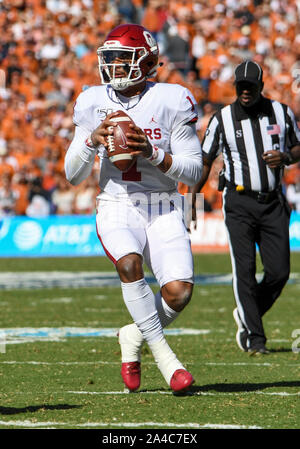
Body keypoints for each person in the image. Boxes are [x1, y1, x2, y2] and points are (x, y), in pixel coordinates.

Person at [65, 24, 202, 392]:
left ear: (148, 60)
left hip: (163, 203)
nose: (115, 67)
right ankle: (167, 360)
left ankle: (133, 335)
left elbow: (194, 168)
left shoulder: (172, 98)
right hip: (117, 203)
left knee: (178, 292)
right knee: (129, 264)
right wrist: (91, 141)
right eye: (109, 59)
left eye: (124, 59)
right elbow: (72, 174)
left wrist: (152, 153)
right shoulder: (93, 100)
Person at [190, 60, 300, 355]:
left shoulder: (281, 112)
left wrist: (285, 157)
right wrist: (192, 198)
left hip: (273, 201)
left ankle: (246, 314)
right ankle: (255, 338)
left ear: (261, 86)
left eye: (251, 87)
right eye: (241, 87)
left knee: (279, 272)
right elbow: (205, 159)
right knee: (245, 270)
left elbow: (297, 146)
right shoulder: (222, 119)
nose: (246, 92)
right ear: (235, 87)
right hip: (239, 202)